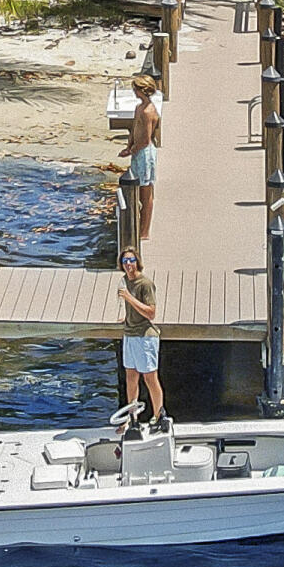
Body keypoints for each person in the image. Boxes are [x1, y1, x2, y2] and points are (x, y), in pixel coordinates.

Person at [116, 249, 164, 423]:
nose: (128, 264)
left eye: (131, 260)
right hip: (130, 334)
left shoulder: (145, 284)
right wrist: (127, 317)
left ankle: (158, 415)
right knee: (131, 376)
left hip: (145, 336)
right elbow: (132, 309)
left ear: (137, 262)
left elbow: (151, 313)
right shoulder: (124, 281)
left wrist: (129, 298)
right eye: (125, 261)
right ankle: (132, 416)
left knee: (150, 377)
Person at [122, 72, 162, 243]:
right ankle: (139, 224)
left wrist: (133, 150)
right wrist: (129, 146)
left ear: (142, 90)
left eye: (135, 89)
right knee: (137, 191)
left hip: (144, 154)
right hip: (137, 151)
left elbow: (145, 139)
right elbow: (134, 128)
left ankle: (144, 230)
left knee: (146, 193)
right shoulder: (139, 108)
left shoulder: (149, 111)